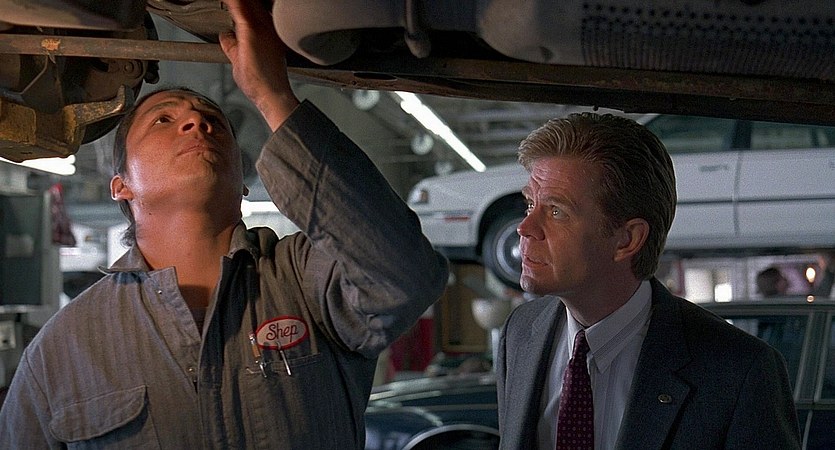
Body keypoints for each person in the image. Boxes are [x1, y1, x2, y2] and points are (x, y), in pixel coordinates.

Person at [0, 0, 448, 447]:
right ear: (122, 186)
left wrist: (272, 95)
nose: (197, 122)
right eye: (163, 120)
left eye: (214, 121)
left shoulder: (307, 280)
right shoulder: (64, 348)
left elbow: (406, 276)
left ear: (243, 183)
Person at [495, 113, 800, 449]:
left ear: (627, 240)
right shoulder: (520, 333)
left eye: (556, 211)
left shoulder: (739, 371)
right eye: (530, 204)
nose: (524, 228)